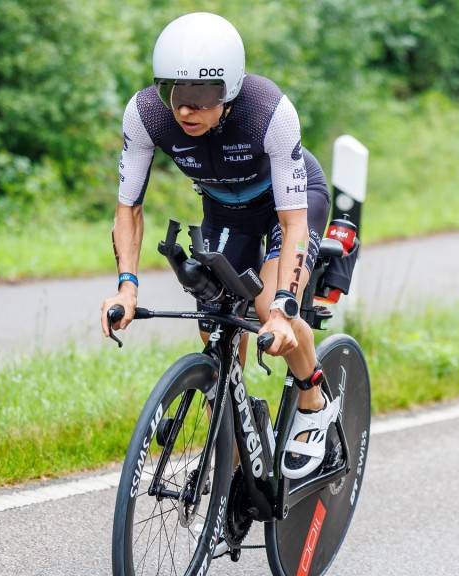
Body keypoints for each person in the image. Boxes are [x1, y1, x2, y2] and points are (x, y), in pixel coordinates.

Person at [99, 12, 338, 480]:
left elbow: (292, 224)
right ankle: (231, 444)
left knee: (269, 306)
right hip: (226, 214)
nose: (185, 110)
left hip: (288, 206)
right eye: (174, 94)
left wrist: (284, 309)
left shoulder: (268, 112)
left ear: (228, 92)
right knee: (215, 321)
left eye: (200, 97)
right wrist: (127, 287)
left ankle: (313, 400)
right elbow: (128, 208)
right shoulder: (145, 114)